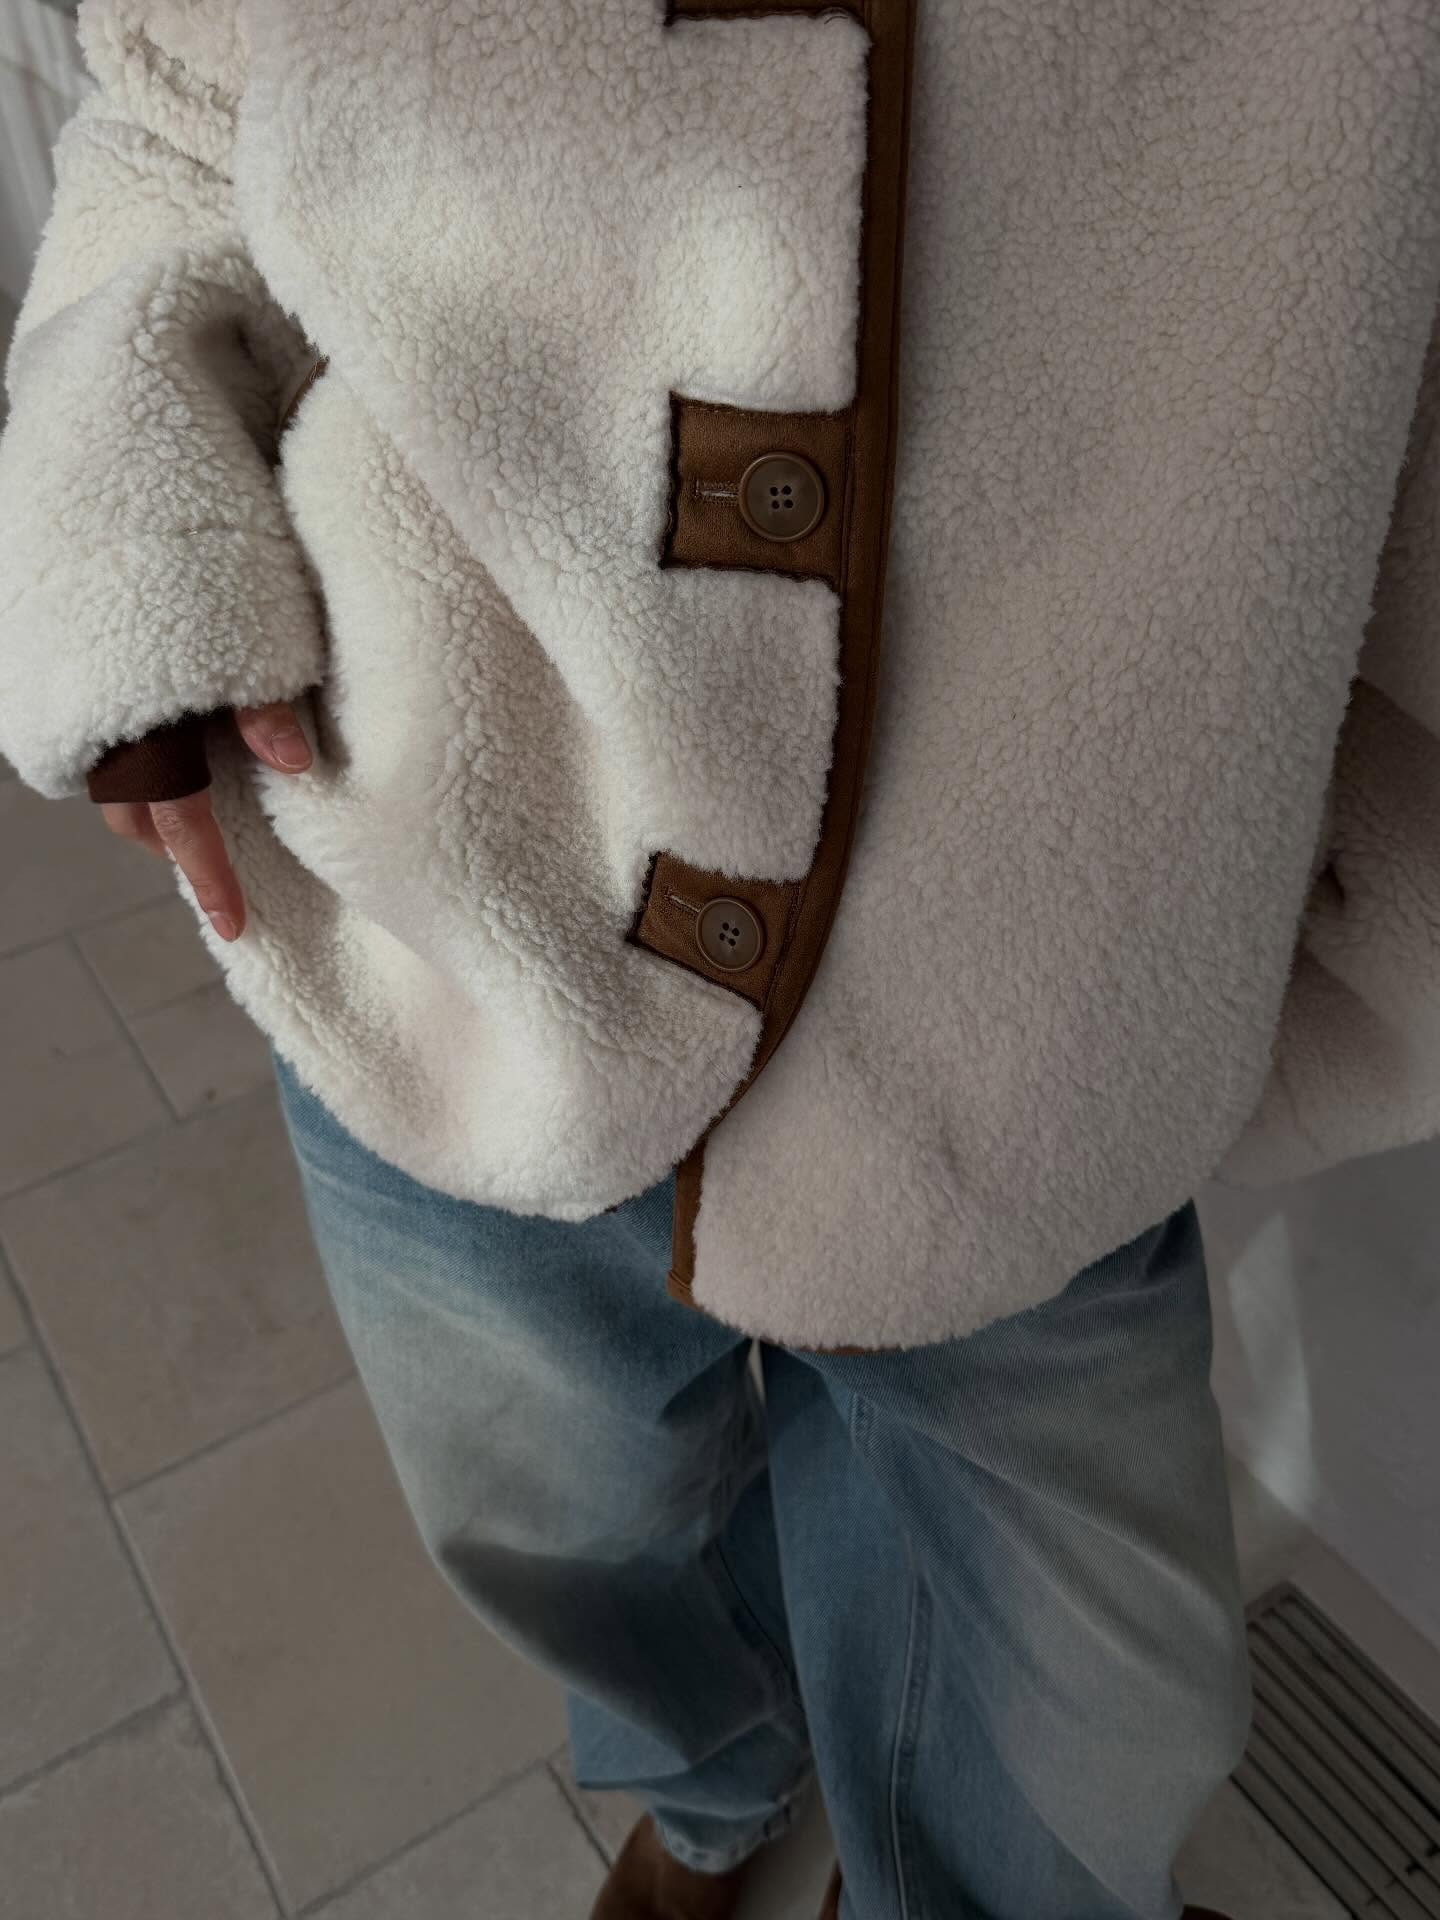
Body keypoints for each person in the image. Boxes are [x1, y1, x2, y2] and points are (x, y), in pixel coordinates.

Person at [3, 0, 1438, 1913]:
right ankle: (712, 1792)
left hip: (1053, 1021)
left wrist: (1307, 922)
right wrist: (131, 535)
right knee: (549, 1529)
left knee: (1088, 1718)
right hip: (461, 942)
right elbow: (176, 114)